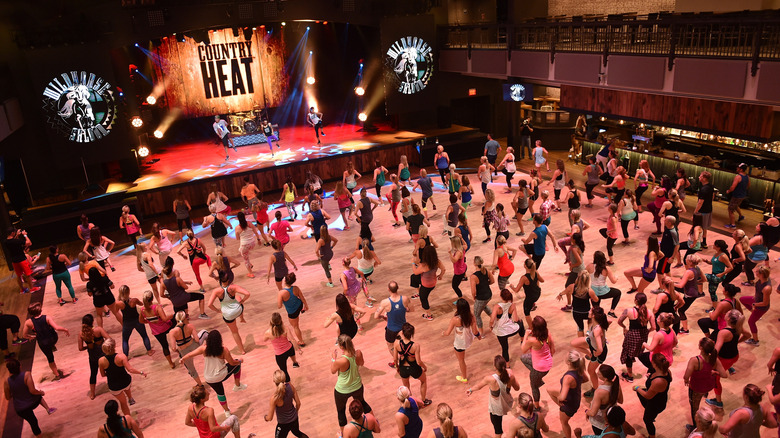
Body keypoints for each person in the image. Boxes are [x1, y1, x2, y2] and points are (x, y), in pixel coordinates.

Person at [181, 330, 246, 416]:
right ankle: (237, 385)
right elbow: (232, 363)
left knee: (220, 393)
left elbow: (190, 354)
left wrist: (183, 359)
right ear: (219, 340)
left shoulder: (204, 348)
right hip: (221, 375)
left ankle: (227, 411)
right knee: (237, 365)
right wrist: (240, 360)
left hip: (209, 378)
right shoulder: (223, 350)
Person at [465, 355, 520, 438]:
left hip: (496, 409)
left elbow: (478, 386)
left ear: (495, 367)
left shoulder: (490, 379)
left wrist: (470, 390)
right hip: (507, 403)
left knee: (498, 430)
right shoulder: (510, 374)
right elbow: (517, 388)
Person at [705, 309, 749, 409]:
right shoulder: (738, 327)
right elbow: (748, 335)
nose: (725, 313)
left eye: (727, 313)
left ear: (728, 318)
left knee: (715, 379)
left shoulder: (724, 332)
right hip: (734, 356)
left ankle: (718, 402)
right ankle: (729, 368)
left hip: (724, 359)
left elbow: (716, 351)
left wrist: (711, 365)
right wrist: (737, 342)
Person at [683, 337, 728, 433]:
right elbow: (725, 375)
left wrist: (686, 380)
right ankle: (705, 394)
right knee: (703, 393)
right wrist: (714, 372)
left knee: (694, 407)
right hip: (709, 385)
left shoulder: (695, 360)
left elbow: (686, 375)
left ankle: (696, 427)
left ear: (701, 348)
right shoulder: (714, 359)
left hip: (696, 388)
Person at [3, 357, 56, 437]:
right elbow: (32, 391)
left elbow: (8, 397)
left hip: (21, 409)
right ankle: (48, 409)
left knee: (33, 422)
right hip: (32, 402)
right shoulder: (26, 374)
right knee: (38, 395)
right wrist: (41, 392)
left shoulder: (7, 382)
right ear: (19, 366)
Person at [332, 334, 373, 435]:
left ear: (341, 346)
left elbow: (332, 371)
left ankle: (343, 434)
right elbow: (361, 363)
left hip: (342, 390)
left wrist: (333, 359)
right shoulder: (358, 353)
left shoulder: (340, 361)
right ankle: (373, 421)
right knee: (363, 403)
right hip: (357, 386)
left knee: (341, 411)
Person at [98, 338, 147, 416]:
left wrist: (111, 373)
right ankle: (130, 398)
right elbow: (130, 369)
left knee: (123, 403)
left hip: (114, 386)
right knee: (127, 387)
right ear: (114, 347)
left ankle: (128, 419)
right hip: (125, 381)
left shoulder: (101, 361)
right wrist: (141, 372)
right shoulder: (121, 357)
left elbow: (103, 375)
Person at [22, 302, 69, 380]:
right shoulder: (47, 317)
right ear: (40, 310)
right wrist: (65, 329)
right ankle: (52, 345)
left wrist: (31, 336)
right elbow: (56, 328)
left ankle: (57, 375)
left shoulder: (28, 322)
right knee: (50, 341)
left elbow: (24, 335)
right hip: (53, 338)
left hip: (43, 342)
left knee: (50, 358)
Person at [572, 306, 610, 398]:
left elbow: (600, 349)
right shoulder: (596, 322)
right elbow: (609, 321)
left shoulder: (597, 330)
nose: (588, 311)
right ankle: (588, 353)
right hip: (591, 342)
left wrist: (595, 354)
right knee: (574, 343)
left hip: (598, 353)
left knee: (590, 371)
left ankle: (595, 389)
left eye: (590, 311)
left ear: (593, 315)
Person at [208, 271, 250, 354]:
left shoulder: (216, 291)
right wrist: (242, 301)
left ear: (220, 280)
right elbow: (247, 294)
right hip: (237, 310)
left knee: (235, 332)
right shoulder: (233, 287)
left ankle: (242, 350)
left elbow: (209, 305)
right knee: (238, 297)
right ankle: (241, 318)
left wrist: (217, 310)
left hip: (228, 315)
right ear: (228, 280)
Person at [617, 292, 655, 383]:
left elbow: (619, 321)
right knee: (640, 353)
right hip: (643, 337)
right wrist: (646, 331)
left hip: (632, 335)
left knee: (628, 355)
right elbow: (654, 327)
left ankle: (630, 376)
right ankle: (653, 369)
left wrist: (624, 327)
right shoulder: (649, 312)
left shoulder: (629, 311)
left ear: (636, 300)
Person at [547, 350, 586, 438]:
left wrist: (559, 398)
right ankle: (562, 408)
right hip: (575, 396)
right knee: (549, 390)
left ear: (568, 362)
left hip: (570, 403)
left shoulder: (568, 378)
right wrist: (575, 385)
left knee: (564, 423)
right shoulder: (579, 369)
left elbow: (562, 397)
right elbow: (586, 379)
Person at [519, 316, 555, 410]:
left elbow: (523, 349)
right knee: (523, 358)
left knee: (534, 386)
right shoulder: (548, 333)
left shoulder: (532, 340)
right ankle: (537, 378)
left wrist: (526, 335)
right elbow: (553, 350)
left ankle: (537, 407)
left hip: (540, 368)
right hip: (548, 364)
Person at [633, 353, 671, 438]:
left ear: (654, 364)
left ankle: (652, 436)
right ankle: (652, 416)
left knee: (647, 420)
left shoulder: (658, 381)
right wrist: (650, 377)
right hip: (658, 399)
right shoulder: (666, 371)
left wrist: (636, 388)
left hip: (656, 404)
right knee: (648, 413)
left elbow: (647, 396)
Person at [444, 299, 481, 383]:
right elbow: (475, 331)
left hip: (459, 342)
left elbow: (448, 333)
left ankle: (464, 378)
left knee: (461, 360)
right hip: (468, 339)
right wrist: (479, 336)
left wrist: (443, 333)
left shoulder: (455, 319)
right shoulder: (471, 317)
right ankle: (464, 377)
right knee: (462, 359)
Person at [375, 281, 411, 366]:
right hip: (403, 327)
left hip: (391, 329)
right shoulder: (405, 298)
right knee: (404, 344)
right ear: (398, 288)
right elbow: (410, 309)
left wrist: (383, 317)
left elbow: (376, 316)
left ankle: (397, 362)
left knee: (390, 345)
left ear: (388, 289)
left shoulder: (385, 302)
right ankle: (406, 359)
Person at [394, 324, 431, 406]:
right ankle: (424, 400)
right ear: (412, 334)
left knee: (406, 387)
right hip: (414, 368)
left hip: (403, 368)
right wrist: (425, 367)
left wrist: (397, 367)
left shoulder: (396, 344)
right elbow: (419, 362)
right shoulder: (416, 346)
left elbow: (395, 359)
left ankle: (410, 403)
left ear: (402, 333)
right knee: (423, 380)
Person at [139, 290, 176, 368]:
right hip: (165, 327)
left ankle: (170, 363)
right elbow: (165, 319)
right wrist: (171, 316)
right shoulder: (157, 307)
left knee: (164, 346)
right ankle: (179, 343)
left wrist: (149, 321)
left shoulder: (142, 310)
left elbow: (141, 321)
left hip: (156, 332)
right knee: (176, 322)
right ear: (152, 299)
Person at [78, 313, 110, 400]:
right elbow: (109, 338)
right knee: (109, 369)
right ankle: (113, 384)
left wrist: (88, 346)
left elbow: (80, 348)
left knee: (93, 374)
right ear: (92, 322)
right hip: (103, 354)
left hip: (92, 356)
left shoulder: (81, 334)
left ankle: (92, 394)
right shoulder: (98, 330)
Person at [557, 271, 598, 337]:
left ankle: (581, 342)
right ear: (588, 280)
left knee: (580, 327)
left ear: (578, 278)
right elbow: (596, 300)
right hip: (586, 312)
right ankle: (589, 331)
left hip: (576, 312)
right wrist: (593, 297)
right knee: (591, 320)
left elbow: (565, 291)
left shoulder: (572, 286)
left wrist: (560, 295)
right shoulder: (589, 291)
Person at [264, 312, 302, 382]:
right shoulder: (285, 328)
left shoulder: (268, 332)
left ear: (271, 321)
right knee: (290, 346)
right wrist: (299, 349)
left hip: (280, 355)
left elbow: (264, 340)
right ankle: (295, 362)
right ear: (281, 320)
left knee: (284, 370)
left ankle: (288, 383)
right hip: (289, 349)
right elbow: (293, 340)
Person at [115, 286, 152, 358]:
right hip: (137, 320)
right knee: (144, 336)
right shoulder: (134, 300)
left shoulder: (119, 303)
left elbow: (116, 311)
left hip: (127, 322)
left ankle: (126, 356)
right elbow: (141, 304)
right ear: (128, 292)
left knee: (125, 340)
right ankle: (149, 351)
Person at [585, 365, 623, 435]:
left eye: (599, 373)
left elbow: (593, 413)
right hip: (613, 418)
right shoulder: (616, 385)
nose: (596, 373)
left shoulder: (600, 392)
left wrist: (587, 411)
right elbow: (621, 401)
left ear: (605, 378)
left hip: (601, 423)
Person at [168, 311, 204, 387]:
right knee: (204, 332)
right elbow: (197, 340)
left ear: (176, 319)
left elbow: (173, 348)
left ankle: (200, 385)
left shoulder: (172, 332)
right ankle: (210, 350)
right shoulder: (190, 326)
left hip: (184, 351)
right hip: (194, 347)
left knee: (191, 369)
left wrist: (179, 351)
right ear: (185, 318)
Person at [739, 265, 772, 345]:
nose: (755, 273)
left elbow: (765, 303)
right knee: (742, 299)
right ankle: (754, 313)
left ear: (762, 274)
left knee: (751, 322)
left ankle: (755, 340)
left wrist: (754, 304)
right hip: (756, 300)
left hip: (761, 307)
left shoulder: (766, 288)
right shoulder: (761, 280)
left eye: (757, 272)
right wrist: (755, 298)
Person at [413, 245, 446, 321]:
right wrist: (440, 276)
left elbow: (415, 272)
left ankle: (429, 315)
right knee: (413, 278)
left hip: (426, 285)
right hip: (433, 283)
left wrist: (412, 263)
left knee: (423, 299)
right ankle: (418, 291)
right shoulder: (437, 262)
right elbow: (443, 269)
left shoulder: (424, 265)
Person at [587, 251, 621, 318]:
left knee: (596, 309)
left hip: (593, 292)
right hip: (604, 292)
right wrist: (616, 278)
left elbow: (582, 276)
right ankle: (611, 311)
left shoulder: (590, 266)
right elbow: (613, 281)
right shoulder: (606, 268)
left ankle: (596, 316)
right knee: (618, 293)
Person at [701, 239, 733, 312]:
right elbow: (714, 263)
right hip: (713, 275)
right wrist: (707, 261)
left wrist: (722, 274)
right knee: (712, 291)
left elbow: (730, 267)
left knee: (701, 275)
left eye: (714, 244)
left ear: (718, 247)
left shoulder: (723, 256)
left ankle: (699, 292)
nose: (713, 245)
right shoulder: (716, 254)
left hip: (718, 277)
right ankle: (715, 307)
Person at [511, 258, 544, 329]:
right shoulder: (536, 272)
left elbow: (516, 290)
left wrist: (512, 287)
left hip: (530, 297)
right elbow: (542, 280)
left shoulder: (524, 278)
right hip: (538, 293)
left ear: (525, 266)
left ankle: (532, 328)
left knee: (526, 313)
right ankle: (532, 304)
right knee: (532, 297)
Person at [676, 255, 705, 333]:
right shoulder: (697, 268)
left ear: (690, 262)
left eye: (687, 259)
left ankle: (685, 329)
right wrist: (695, 282)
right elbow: (704, 279)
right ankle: (676, 301)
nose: (685, 259)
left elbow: (681, 285)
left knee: (681, 311)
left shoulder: (688, 272)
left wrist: (671, 283)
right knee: (675, 288)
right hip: (693, 291)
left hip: (690, 294)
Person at [470, 255, 494, 330]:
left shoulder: (473, 276)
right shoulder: (486, 270)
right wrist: (485, 284)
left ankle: (481, 333)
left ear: (474, 263)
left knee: (476, 315)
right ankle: (495, 319)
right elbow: (492, 281)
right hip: (489, 295)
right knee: (484, 306)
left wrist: (474, 297)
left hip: (481, 297)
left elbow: (473, 291)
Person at [235, 211, 261, 277]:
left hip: (245, 245)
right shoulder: (250, 223)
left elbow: (237, 238)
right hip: (252, 243)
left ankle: (251, 273)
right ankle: (250, 264)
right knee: (241, 251)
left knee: (245, 258)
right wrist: (258, 240)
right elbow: (256, 232)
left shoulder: (237, 228)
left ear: (238, 219)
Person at [725, 163, 750, 229]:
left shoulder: (738, 177)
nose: (737, 169)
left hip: (736, 195)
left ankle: (733, 225)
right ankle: (741, 216)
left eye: (738, 168)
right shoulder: (747, 176)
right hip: (742, 195)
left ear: (741, 169)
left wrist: (728, 191)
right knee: (736, 206)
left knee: (730, 209)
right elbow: (748, 186)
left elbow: (733, 187)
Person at [693, 171, 714, 248]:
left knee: (699, 227)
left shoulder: (703, 189)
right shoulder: (710, 186)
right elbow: (712, 197)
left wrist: (695, 212)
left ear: (704, 178)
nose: (699, 177)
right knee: (705, 227)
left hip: (703, 211)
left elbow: (700, 202)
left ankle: (697, 243)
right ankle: (704, 242)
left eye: (700, 176)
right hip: (709, 209)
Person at [657, 215, 680, 287]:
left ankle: (662, 288)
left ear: (669, 223)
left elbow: (677, 245)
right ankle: (671, 284)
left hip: (666, 256)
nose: (664, 221)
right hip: (664, 253)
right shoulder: (667, 228)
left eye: (666, 220)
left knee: (660, 272)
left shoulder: (673, 232)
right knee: (667, 270)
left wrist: (672, 257)